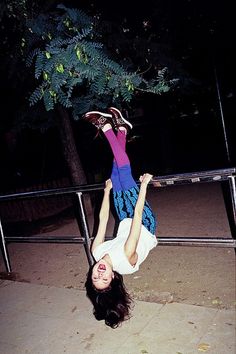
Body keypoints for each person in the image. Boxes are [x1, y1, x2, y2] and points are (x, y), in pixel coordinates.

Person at [84, 107, 158, 329]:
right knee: (125, 175)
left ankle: (123, 128)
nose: (100, 274)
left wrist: (106, 192)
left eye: (95, 278)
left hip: (124, 218)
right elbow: (137, 218)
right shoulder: (125, 260)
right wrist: (143, 186)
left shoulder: (96, 253)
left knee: (116, 171)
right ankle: (106, 126)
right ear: (114, 278)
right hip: (143, 222)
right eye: (104, 279)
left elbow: (103, 219)